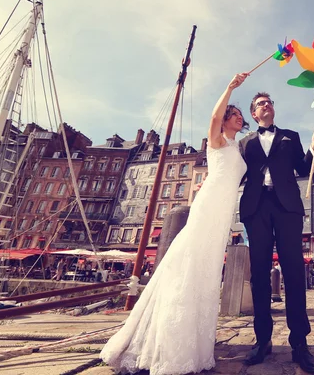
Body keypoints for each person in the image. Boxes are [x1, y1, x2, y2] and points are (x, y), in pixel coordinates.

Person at [100, 73, 251, 374]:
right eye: (233, 114)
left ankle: (193, 346)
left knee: (206, 273)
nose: (238, 118)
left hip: (223, 213)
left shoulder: (237, 147)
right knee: (187, 264)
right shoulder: (217, 140)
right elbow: (214, 114)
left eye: (239, 115)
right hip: (208, 206)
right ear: (224, 121)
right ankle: (167, 345)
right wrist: (230, 87)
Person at [239, 90, 314, 374]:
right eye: (261, 104)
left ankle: (299, 344)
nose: (267, 105)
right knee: (259, 275)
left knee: (294, 272)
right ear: (254, 114)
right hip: (256, 207)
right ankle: (262, 341)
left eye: (270, 102)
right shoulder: (244, 143)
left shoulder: (291, 136)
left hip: (287, 207)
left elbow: (306, 168)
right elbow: (233, 175)